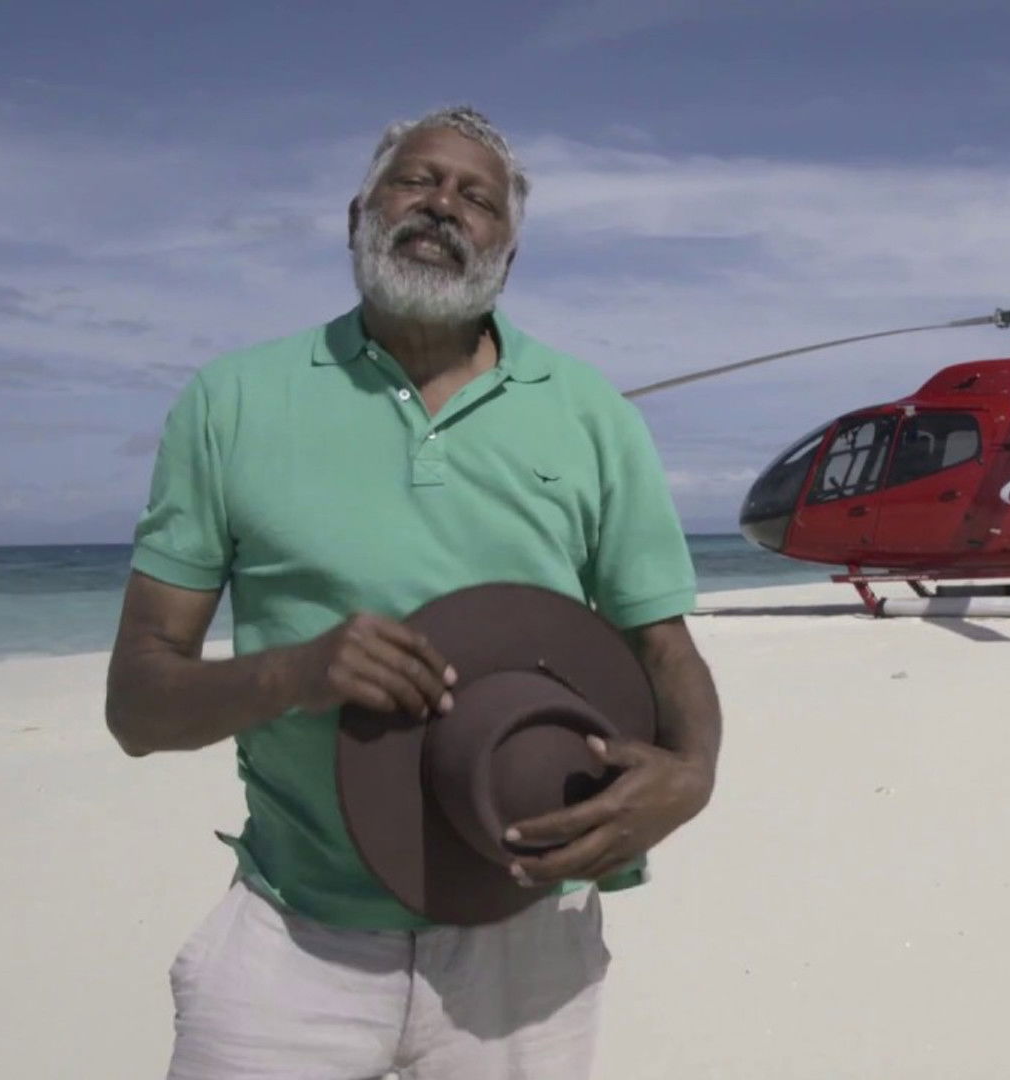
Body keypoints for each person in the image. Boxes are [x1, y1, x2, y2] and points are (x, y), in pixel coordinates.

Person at [104, 105, 722, 1078]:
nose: (442, 205)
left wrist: (693, 776)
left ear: (508, 255)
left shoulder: (593, 414)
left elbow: (663, 648)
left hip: (528, 934)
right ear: (358, 216)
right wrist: (294, 674)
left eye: (478, 198)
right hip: (296, 930)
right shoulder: (232, 401)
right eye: (416, 180)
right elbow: (137, 703)